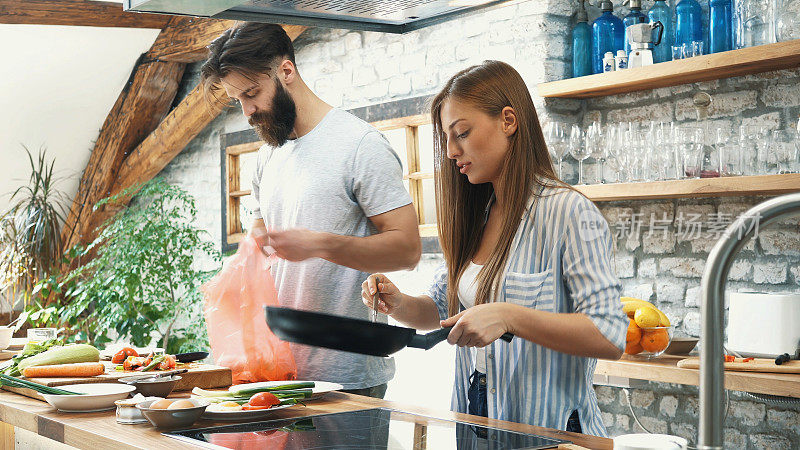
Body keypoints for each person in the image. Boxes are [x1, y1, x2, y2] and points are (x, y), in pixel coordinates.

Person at [361, 60, 627, 435]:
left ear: (508, 120)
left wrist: (508, 316)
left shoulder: (569, 212)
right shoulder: (479, 215)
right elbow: (441, 309)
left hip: (551, 435)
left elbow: (609, 334)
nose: (452, 152)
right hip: (476, 427)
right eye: (447, 139)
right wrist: (398, 302)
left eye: (462, 133)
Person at [201, 23, 421, 398]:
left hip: (349, 378)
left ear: (286, 71)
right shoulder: (267, 155)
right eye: (238, 100)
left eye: (252, 93)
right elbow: (260, 250)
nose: (248, 111)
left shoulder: (360, 145)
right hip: (278, 371)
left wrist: (320, 244)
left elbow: (408, 250)